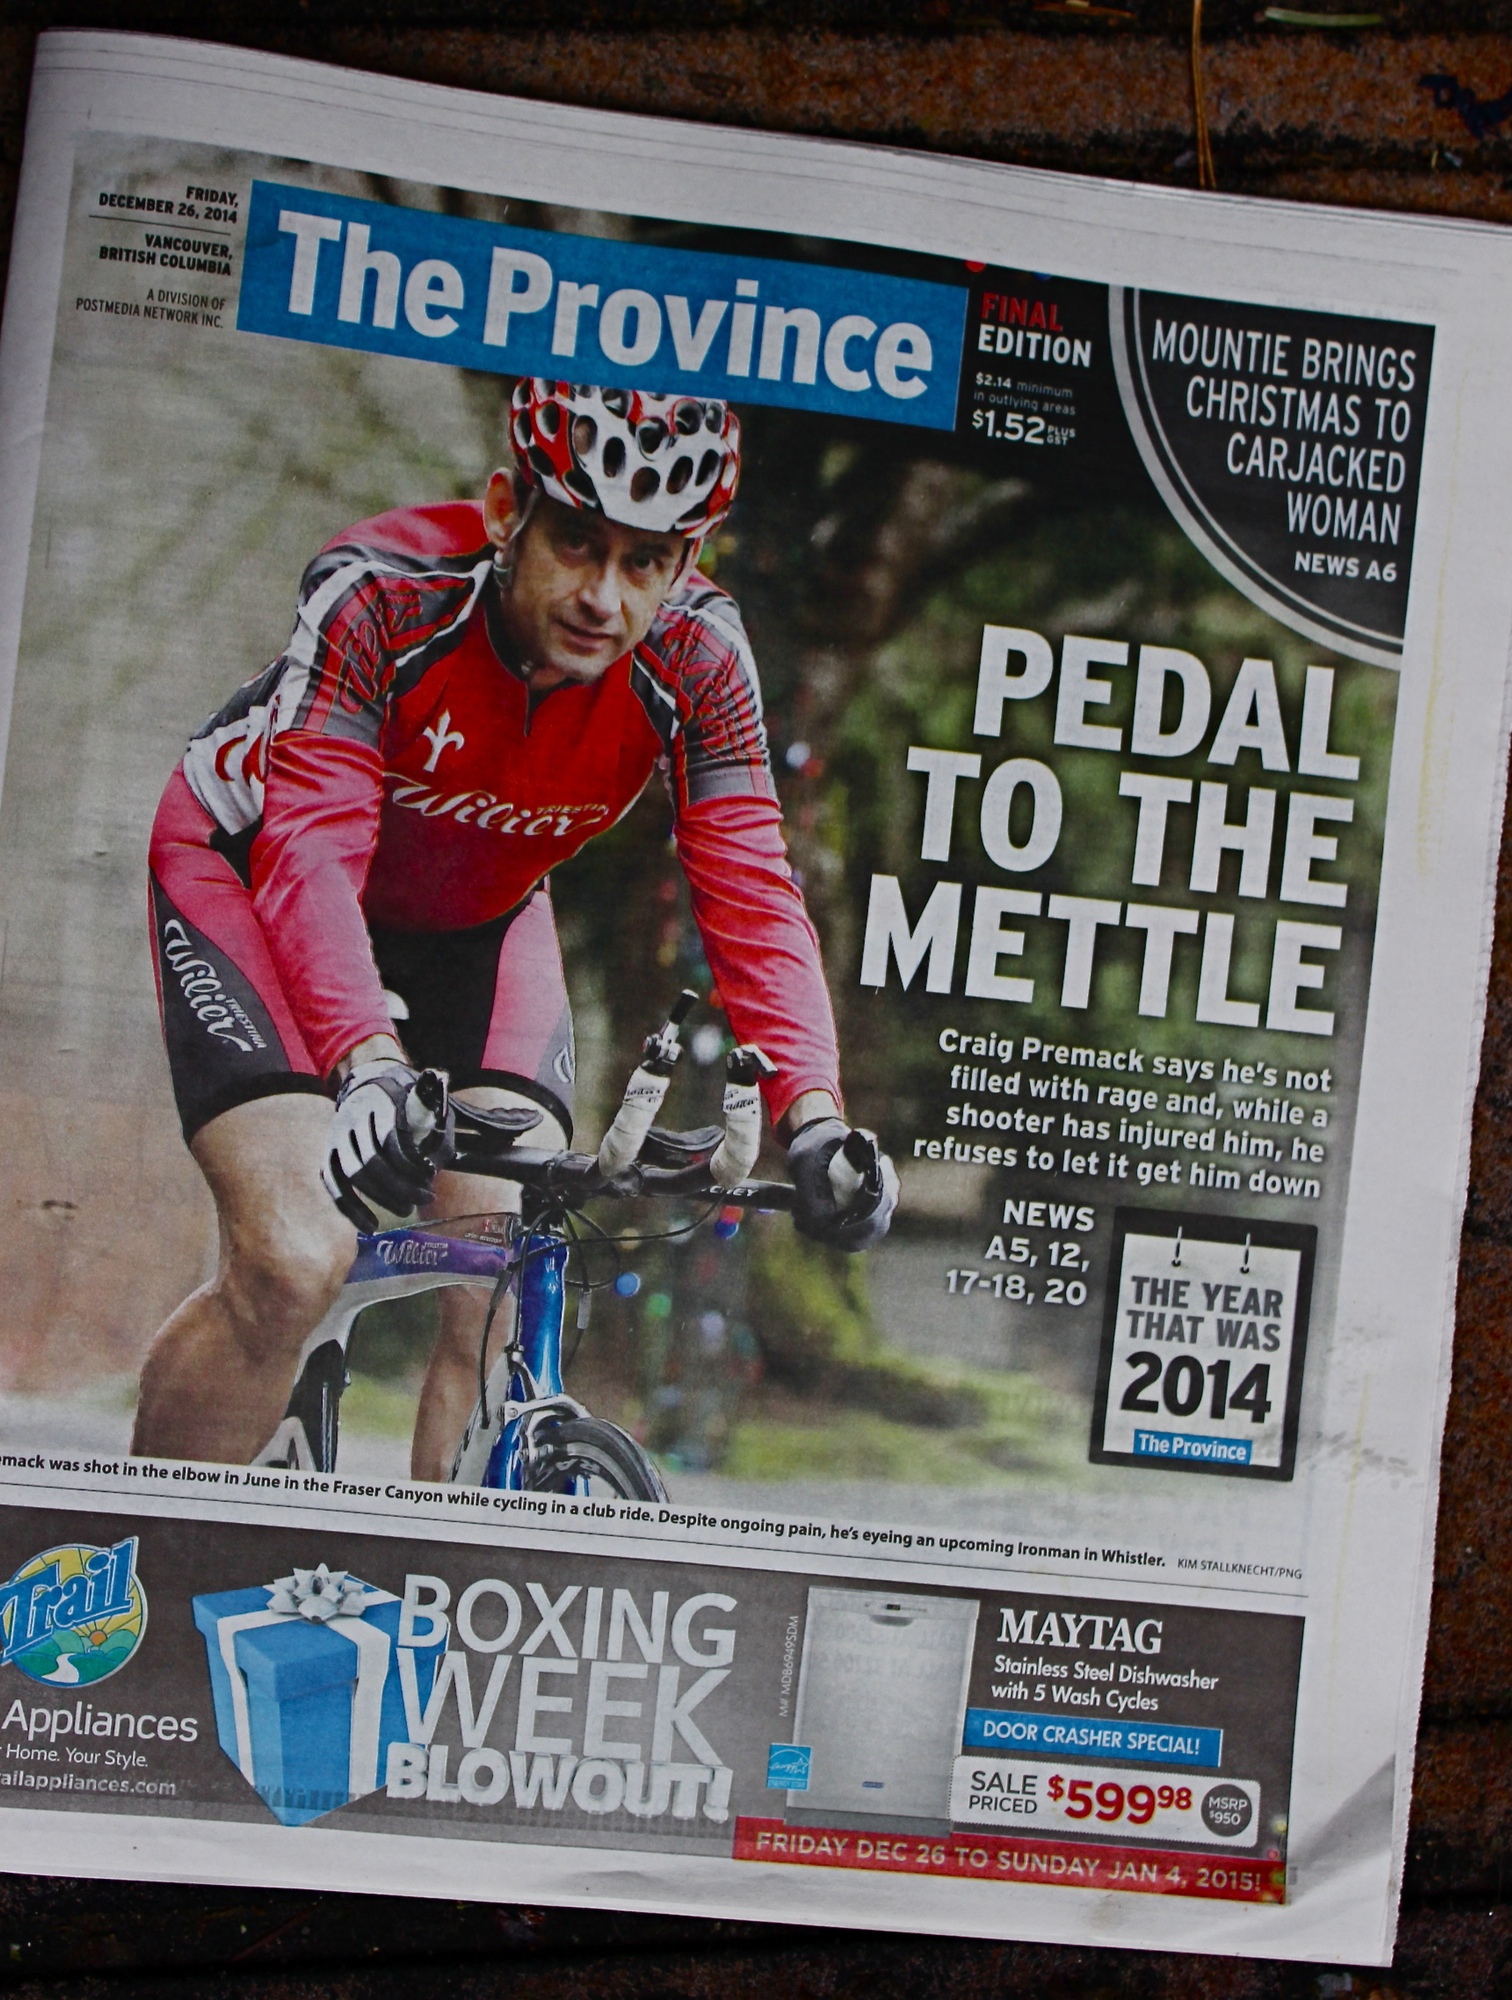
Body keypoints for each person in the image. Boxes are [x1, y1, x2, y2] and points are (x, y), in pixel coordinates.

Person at [134, 377, 898, 1475]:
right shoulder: (380, 596)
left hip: (478, 915)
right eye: (578, 541)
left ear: (687, 562)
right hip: (253, 871)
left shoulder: (699, 656)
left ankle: (451, 1573)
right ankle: (143, 1552)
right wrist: (368, 1066)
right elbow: (312, 852)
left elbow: (751, 888)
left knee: (506, 1269)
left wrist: (815, 1115)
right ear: (506, 512)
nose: (603, 595)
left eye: (645, 561)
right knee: (295, 1259)